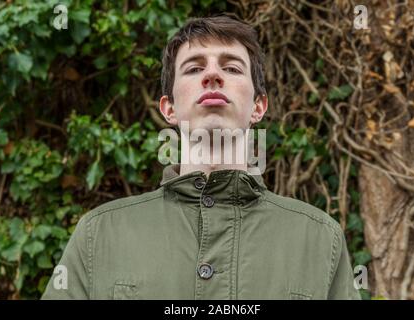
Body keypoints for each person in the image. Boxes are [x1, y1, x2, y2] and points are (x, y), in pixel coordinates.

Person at [42, 15, 361, 300]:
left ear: (258, 107)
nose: (212, 75)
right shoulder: (100, 234)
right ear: (168, 108)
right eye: (194, 68)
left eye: (232, 67)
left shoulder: (319, 238)